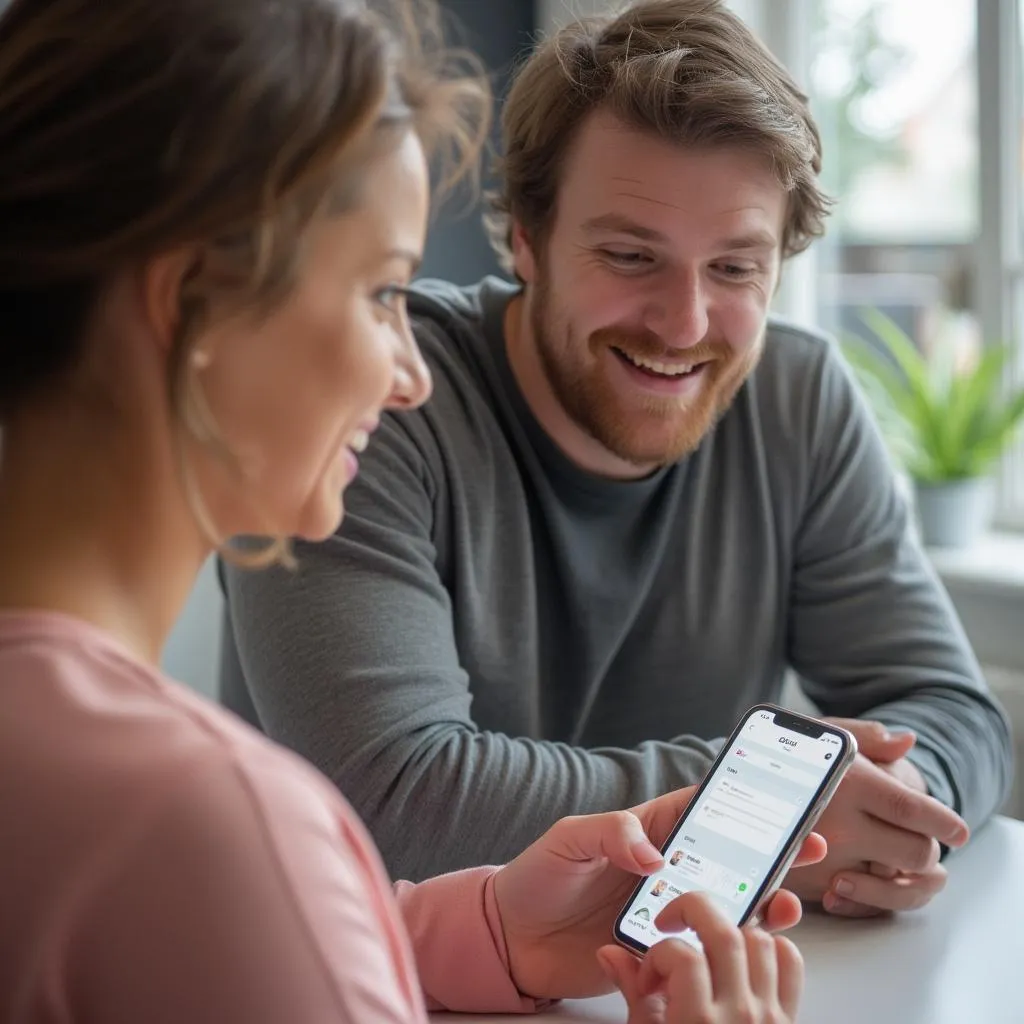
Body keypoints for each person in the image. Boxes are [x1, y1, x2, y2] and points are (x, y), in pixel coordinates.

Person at [0, 0, 830, 1021]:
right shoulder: (201, 823)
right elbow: (243, 893)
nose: (407, 373)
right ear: (191, 307)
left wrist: (486, 927)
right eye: (382, 293)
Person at [220, 0, 1013, 914]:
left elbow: (955, 717)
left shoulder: (799, 400)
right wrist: (768, 804)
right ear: (527, 238)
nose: (684, 324)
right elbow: (393, 799)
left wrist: (872, 810)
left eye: (734, 268)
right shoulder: (378, 403)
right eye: (632, 256)